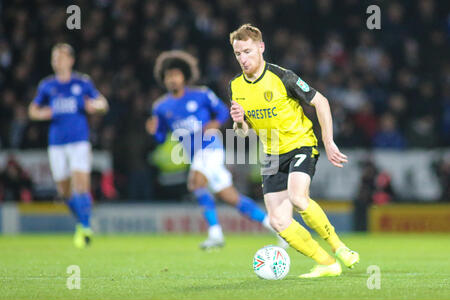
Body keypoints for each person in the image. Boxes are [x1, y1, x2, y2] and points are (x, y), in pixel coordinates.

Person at [229, 24, 359, 278]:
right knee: (278, 221)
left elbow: (321, 101)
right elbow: (243, 133)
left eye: (247, 51)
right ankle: (326, 263)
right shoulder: (236, 86)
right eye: (238, 54)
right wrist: (239, 122)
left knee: (299, 198)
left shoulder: (282, 76)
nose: (243, 59)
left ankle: (339, 247)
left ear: (261, 47)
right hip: (270, 155)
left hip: (300, 144)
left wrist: (328, 141)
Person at [146, 50, 283, 250]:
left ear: (184, 76)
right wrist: (153, 131)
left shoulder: (201, 94)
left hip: (211, 147)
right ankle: (278, 229)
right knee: (231, 197)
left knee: (195, 182)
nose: (172, 79)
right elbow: (160, 137)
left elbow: (222, 111)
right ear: (163, 79)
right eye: (168, 76)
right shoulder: (160, 107)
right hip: (196, 155)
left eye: (176, 75)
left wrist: (214, 123)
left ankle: (215, 233)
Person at [28, 43, 108, 248]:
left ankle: (87, 227)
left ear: (71, 60)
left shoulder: (82, 83)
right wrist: (44, 113)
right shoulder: (47, 85)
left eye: (61, 57)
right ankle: (83, 223)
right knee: (64, 192)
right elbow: (32, 110)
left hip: (79, 141)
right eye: (55, 58)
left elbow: (102, 103)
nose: (57, 61)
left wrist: (95, 106)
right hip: (56, 144)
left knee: (81, 184)